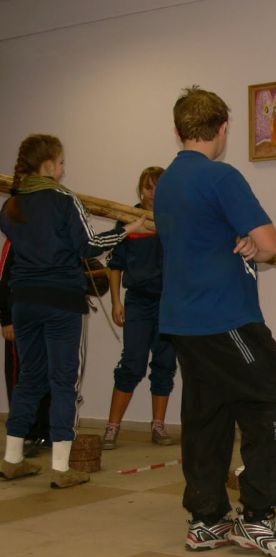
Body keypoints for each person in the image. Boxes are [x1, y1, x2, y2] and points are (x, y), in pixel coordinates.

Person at [156, 86, 276, 557]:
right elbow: (271, 244)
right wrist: (255, 245)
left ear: (178, 131)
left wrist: (243, 242)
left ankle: (207, 519)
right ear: (223, 129)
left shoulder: (166, 182)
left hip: (182, 319)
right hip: (224, 317)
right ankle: (258, 517)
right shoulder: (221, 176)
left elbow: (205, 238)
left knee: (209, 414)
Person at [0, 134, 142, 488]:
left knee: (29, 378)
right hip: (61, 302)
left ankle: (12, 459)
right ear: (48, 165)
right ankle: (62, 468)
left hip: (23, 301)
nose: (64, 170)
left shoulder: (11, 205)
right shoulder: (65, 199)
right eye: (61, 163)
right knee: (64, 380)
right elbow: (89, 245)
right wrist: (127, 229)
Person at [102, 166, 177, 450]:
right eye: (148, 187)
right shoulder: (127, 219)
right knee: (132, 364)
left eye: (159, 187)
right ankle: (112, 427)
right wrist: (116, 302)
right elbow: (115, 265)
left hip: (169, 304)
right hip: (138, 301)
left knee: (164, 364)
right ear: (140, 189)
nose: (153, 193)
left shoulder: (173, 220)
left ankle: (158, 426)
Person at [0, 236, 51, 459]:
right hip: (20, 321)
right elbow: (3, 281)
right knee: (20, 377)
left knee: (48, 373)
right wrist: (6, 320)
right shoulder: (15, 240)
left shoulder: (52, 236)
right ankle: (22, 434)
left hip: (48, 319)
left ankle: (44, 431)